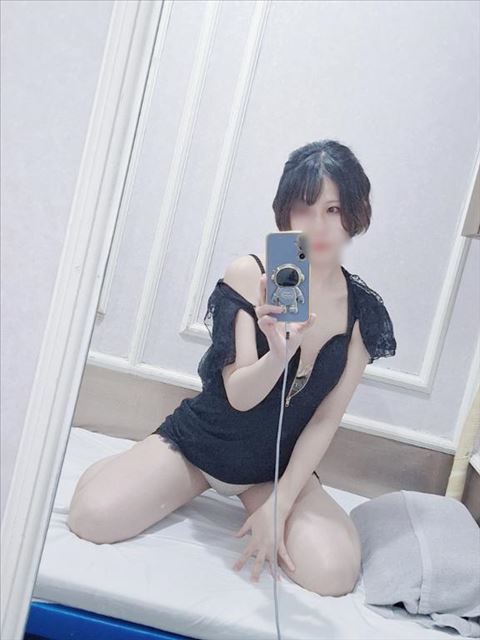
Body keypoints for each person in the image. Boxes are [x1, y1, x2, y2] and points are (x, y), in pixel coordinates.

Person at [67, 139, 396, 596]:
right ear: (286, 211)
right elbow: (239, 395)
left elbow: (325, 419)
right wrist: (278, 355)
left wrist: (280, 505)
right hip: (203, 446)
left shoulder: (362, 313)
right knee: (90, 518)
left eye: (333, 209)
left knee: (335, 574)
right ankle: (132, 465)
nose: (318, 225)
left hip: (271, 471)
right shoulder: (250, 275)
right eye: (304, 208)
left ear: (355, 212)